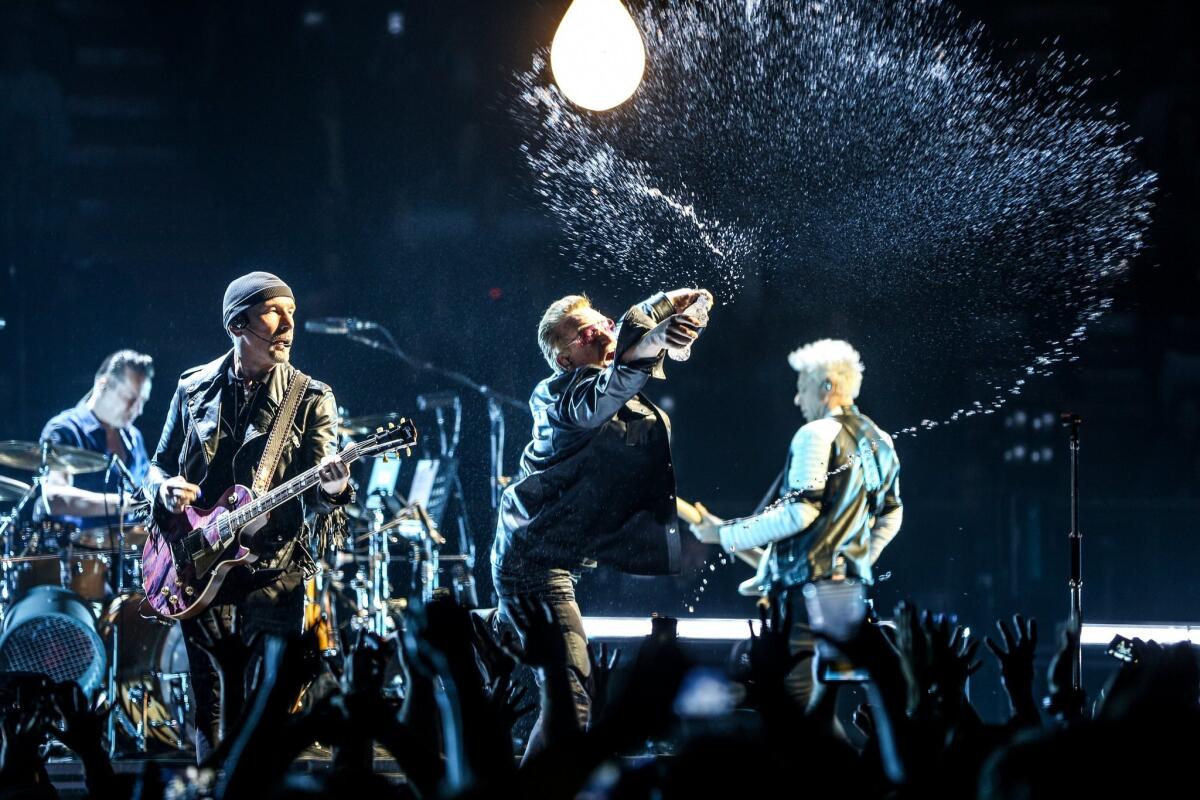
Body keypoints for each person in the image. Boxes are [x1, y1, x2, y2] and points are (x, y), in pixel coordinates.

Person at [491, 288, 709, 759]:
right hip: (532, 561)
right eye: (582, 332)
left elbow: (630, 362)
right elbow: (613, 382)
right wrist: (654, 328)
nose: (601, 331)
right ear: (566, 359)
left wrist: (675, 315)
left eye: (604, 323)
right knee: (572, 705)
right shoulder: (561, 394)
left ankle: (490, 629)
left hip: (555, 558)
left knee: (574, 698)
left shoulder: (614, 383)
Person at [144, 271, 353, 761]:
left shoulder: (311, 396)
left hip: (271, 567)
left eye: (292, 314)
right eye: (274, 312)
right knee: (209, 700)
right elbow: (157, 462)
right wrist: (164, 488)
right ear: (239, 324)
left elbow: (323, 497)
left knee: (270, 703)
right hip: (194, 559)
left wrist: (336, 485)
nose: (287, 325)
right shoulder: (191, 385)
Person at [689, 339, 902, 708]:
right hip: (848, 595)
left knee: (800, 703)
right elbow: (891, 513)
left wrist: (723, 535)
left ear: (826, 386)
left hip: (806, 598)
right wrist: (855, 559)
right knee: (824, 700)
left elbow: (801, 512)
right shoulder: (880, 440)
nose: (796, 399)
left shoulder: (815, 435)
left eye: (801, 387)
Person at [39, 350, 154, 526]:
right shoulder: (64, 430)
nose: (138, 410)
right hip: (77, 551)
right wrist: (126, 503)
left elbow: (148, 490)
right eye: (130, 398)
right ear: (103, 384)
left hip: (129, 549)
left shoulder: (134, 437)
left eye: (142, 401)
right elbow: (55, 497)